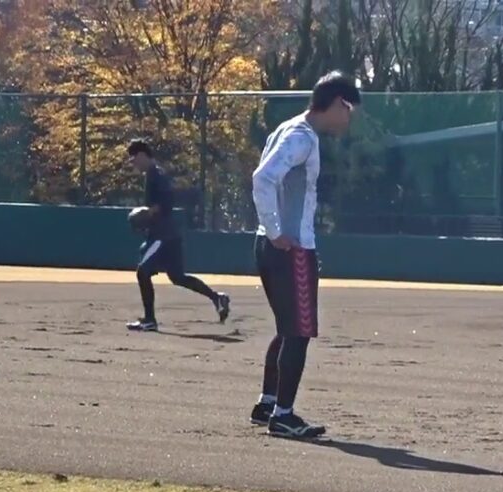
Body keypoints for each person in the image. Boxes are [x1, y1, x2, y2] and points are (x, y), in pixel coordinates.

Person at [248, 71, 360, 439]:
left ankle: (268, 403)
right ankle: (283, 415)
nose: (349, 119)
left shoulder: (288, 128)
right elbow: (263, 178)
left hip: (273, 245)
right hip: (289, 248)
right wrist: (277, 231)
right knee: (299, 331)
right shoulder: (301, 136)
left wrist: (272, 232)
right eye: (350, 110)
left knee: (287, 328)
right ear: (339, 103)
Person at [124, 139, 230, 331]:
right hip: (169, 235)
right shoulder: (154, 173)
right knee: (177, 277)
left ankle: (149, 320)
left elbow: (167, 201)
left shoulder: (156, 174)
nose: (133, 163)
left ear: (142, 155)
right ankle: (217, 298)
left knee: (142, 272)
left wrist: (148, 213)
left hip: (162, 236)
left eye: (134, 159)